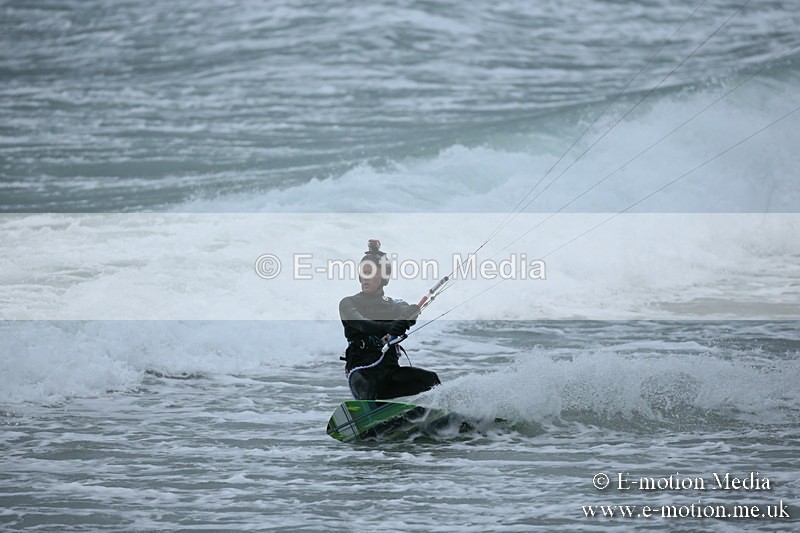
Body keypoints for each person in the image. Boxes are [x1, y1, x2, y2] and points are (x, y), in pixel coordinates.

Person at [339, 240, 441, 400]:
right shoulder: (348, 303)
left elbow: (406, 311)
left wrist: (410, 314)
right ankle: (370, 421)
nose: (365, 277)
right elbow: (360, 322)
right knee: (370, 388)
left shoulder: (394, 304)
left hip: (390, 373)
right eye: (363, 272)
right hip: (362, 373)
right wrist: (387, 327)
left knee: (430, 380)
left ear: (383, 276)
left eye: (371, 273)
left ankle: (446, 419)